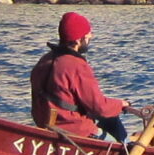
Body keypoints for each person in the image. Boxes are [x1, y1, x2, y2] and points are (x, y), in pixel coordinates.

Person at [29, 10, 129, 140]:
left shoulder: (45, 60)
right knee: (123, 143)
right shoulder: (76, 66)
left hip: (47, 126)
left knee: (111, 119)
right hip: (75, 132)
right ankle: (128, 151)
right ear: (78, 40)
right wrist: (121, 104)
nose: (90, 37)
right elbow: (99, 107)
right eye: (87, 35)